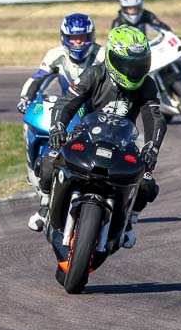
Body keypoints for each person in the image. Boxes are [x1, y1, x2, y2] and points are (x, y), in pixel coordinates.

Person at [28, 25, 167, 249]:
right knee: (47, 161)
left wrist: (152, 148)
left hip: (123, 142)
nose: (134, 71)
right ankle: (45, 206)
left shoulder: (148, 84)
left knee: (148, 184)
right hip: (84, 136)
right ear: (112, 58)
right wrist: (58, 128)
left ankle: (128, 221)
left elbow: (155, 118)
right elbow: (67, 103)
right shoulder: (94, 73)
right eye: (128, 65)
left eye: (139, 64)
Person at [16, 13, 104, 114]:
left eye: (82, 37)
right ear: (64, 38)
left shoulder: (102, 54)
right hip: (67, 108)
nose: (78, 41)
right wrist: (26, 98)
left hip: (97, 108)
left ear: (91, 37)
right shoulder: (54, 55)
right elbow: (38, 78)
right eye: (73, 38)